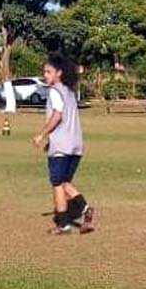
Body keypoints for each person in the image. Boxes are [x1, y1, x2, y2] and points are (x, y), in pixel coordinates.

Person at [32, 54, 94, 235]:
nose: (45, 75)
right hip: (75, 145)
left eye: (49, 72)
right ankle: (85, 209)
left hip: (62, 147)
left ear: (59, 73)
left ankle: (63, 224)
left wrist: (42, 135)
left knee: (57, 183)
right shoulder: (70, 91)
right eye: (44, 72)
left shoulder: (55, 91)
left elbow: (57, 116)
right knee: (66, 183)